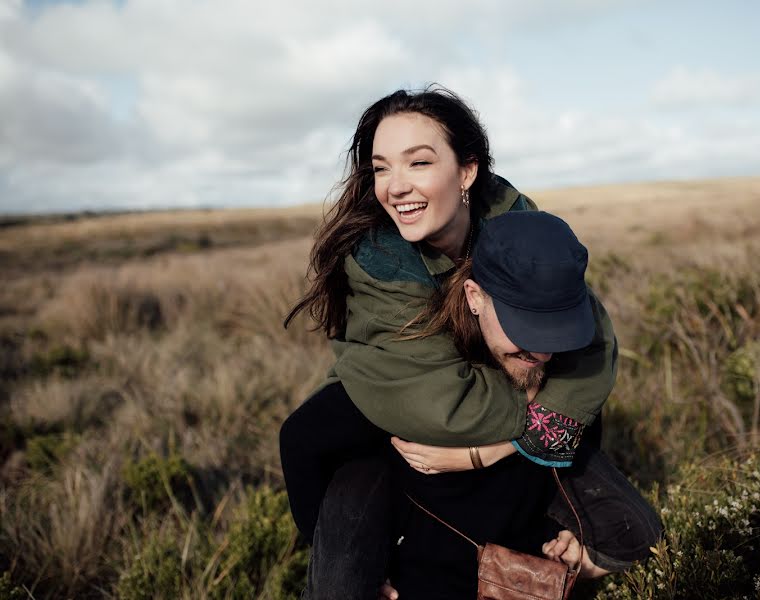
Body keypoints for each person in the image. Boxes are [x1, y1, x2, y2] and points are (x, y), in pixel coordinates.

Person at [278, 87, 656, 598]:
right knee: (314, 443)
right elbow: (443, 406)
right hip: (397, 385)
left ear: (467, 172)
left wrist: (500, 448)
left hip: (490, 386)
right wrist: (542, 424)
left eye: (419, 162)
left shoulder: (513, 218)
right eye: (381, 168)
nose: (395, 187)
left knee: (555, 373)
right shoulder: (379, 261)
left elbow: (589, 336)